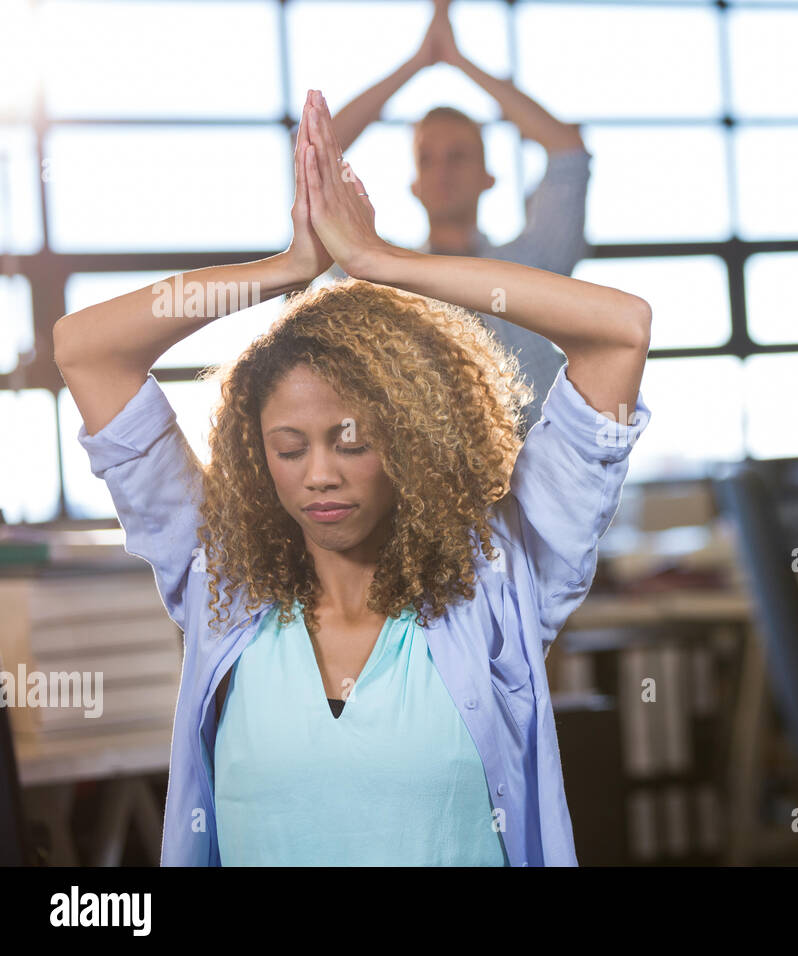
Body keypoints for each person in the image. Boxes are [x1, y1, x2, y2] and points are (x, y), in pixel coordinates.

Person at [52, 89, 652, 866]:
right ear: (256, 456)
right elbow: (85, 348)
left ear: (408, 442)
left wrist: (380, 263)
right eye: (290, 448)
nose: (321, 475)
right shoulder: (224, 582)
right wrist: (289, 267)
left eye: (351, 440)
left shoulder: (499, 584)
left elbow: (621, 332)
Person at [330, 0, 593, 432]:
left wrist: (457, 60)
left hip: (526, 488)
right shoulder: (378, 276)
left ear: (489, 177)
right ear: (413, 183)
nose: (442, 171)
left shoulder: (532, 265)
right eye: (427, 159)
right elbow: (315, 153)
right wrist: (418, 62)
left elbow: (569, 151)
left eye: (458, 156)